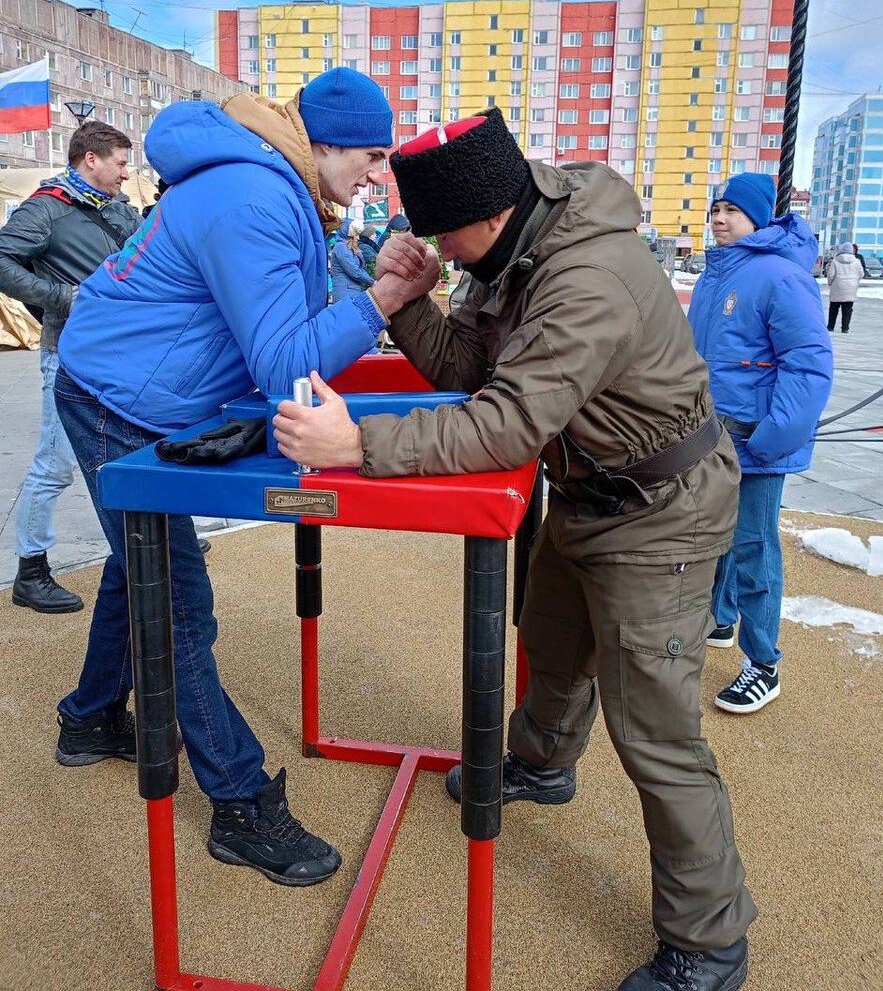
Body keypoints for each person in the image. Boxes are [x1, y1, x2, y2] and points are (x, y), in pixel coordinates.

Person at [273, 108, 757, 991]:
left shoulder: (586, 277)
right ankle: (538, 766)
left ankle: (710, 942)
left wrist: (357, 451)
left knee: (654, 728)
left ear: (489, 215)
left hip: (663, 508)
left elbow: (505, 422)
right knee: (555, 642)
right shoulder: (516, 239)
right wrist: (414, 302)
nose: (443, 252)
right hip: (590, 487)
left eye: (445, 240)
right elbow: (474, 369)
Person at [53, 68, 426, 885]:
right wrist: (384, 302)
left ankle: (87, 720)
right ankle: (239, 802)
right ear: (322, 142)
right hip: (116, 398)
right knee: (180, 602)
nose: (376, 174)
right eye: (369, 155)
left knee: (137, 560)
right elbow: (286, 365)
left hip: (131, 385)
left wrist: (370, 302)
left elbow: (287, 318)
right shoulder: (255, 197)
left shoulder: (277, 183)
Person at [688, 173, 833, 714]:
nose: (719, 218)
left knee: (753, 547)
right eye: (714, 208)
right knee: (717, 538)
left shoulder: (779, 276)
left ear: (759, 216)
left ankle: (763, 663)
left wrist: (774, 437)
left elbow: (809, 362)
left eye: (731, 210)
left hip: (757, 439)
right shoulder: (715, 275)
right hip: (715, 435)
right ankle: (722, 620)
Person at [0, 121, 141, 613]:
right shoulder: (46, 207)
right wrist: (63, 298)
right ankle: (31, 570)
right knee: (55, 464)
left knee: (130, 451)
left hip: (123, 354)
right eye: (121, 163)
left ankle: (143, 544)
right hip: (70, 355)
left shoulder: (119, 212)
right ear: (91, 159)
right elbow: (2, 259)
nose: (128, 173)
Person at [330, 218, 374, 302]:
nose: (358, 238)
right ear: (349, 234)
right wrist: (372, 282)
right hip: (345, 292)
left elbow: (360, 269)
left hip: (352, 291)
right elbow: (354, 271)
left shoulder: (350, 248)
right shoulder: (341, 247)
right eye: (356, 235)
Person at [827, 241, 864, 334]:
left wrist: (830, 283)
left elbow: (831, 274)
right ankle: (845, 328)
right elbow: (861, 274)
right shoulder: (857, 261)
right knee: (847, 308)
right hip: (851, 287)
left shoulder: (835, 261)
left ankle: (831, 326)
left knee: (834, 307)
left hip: (837, 286)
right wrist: (855, 281)